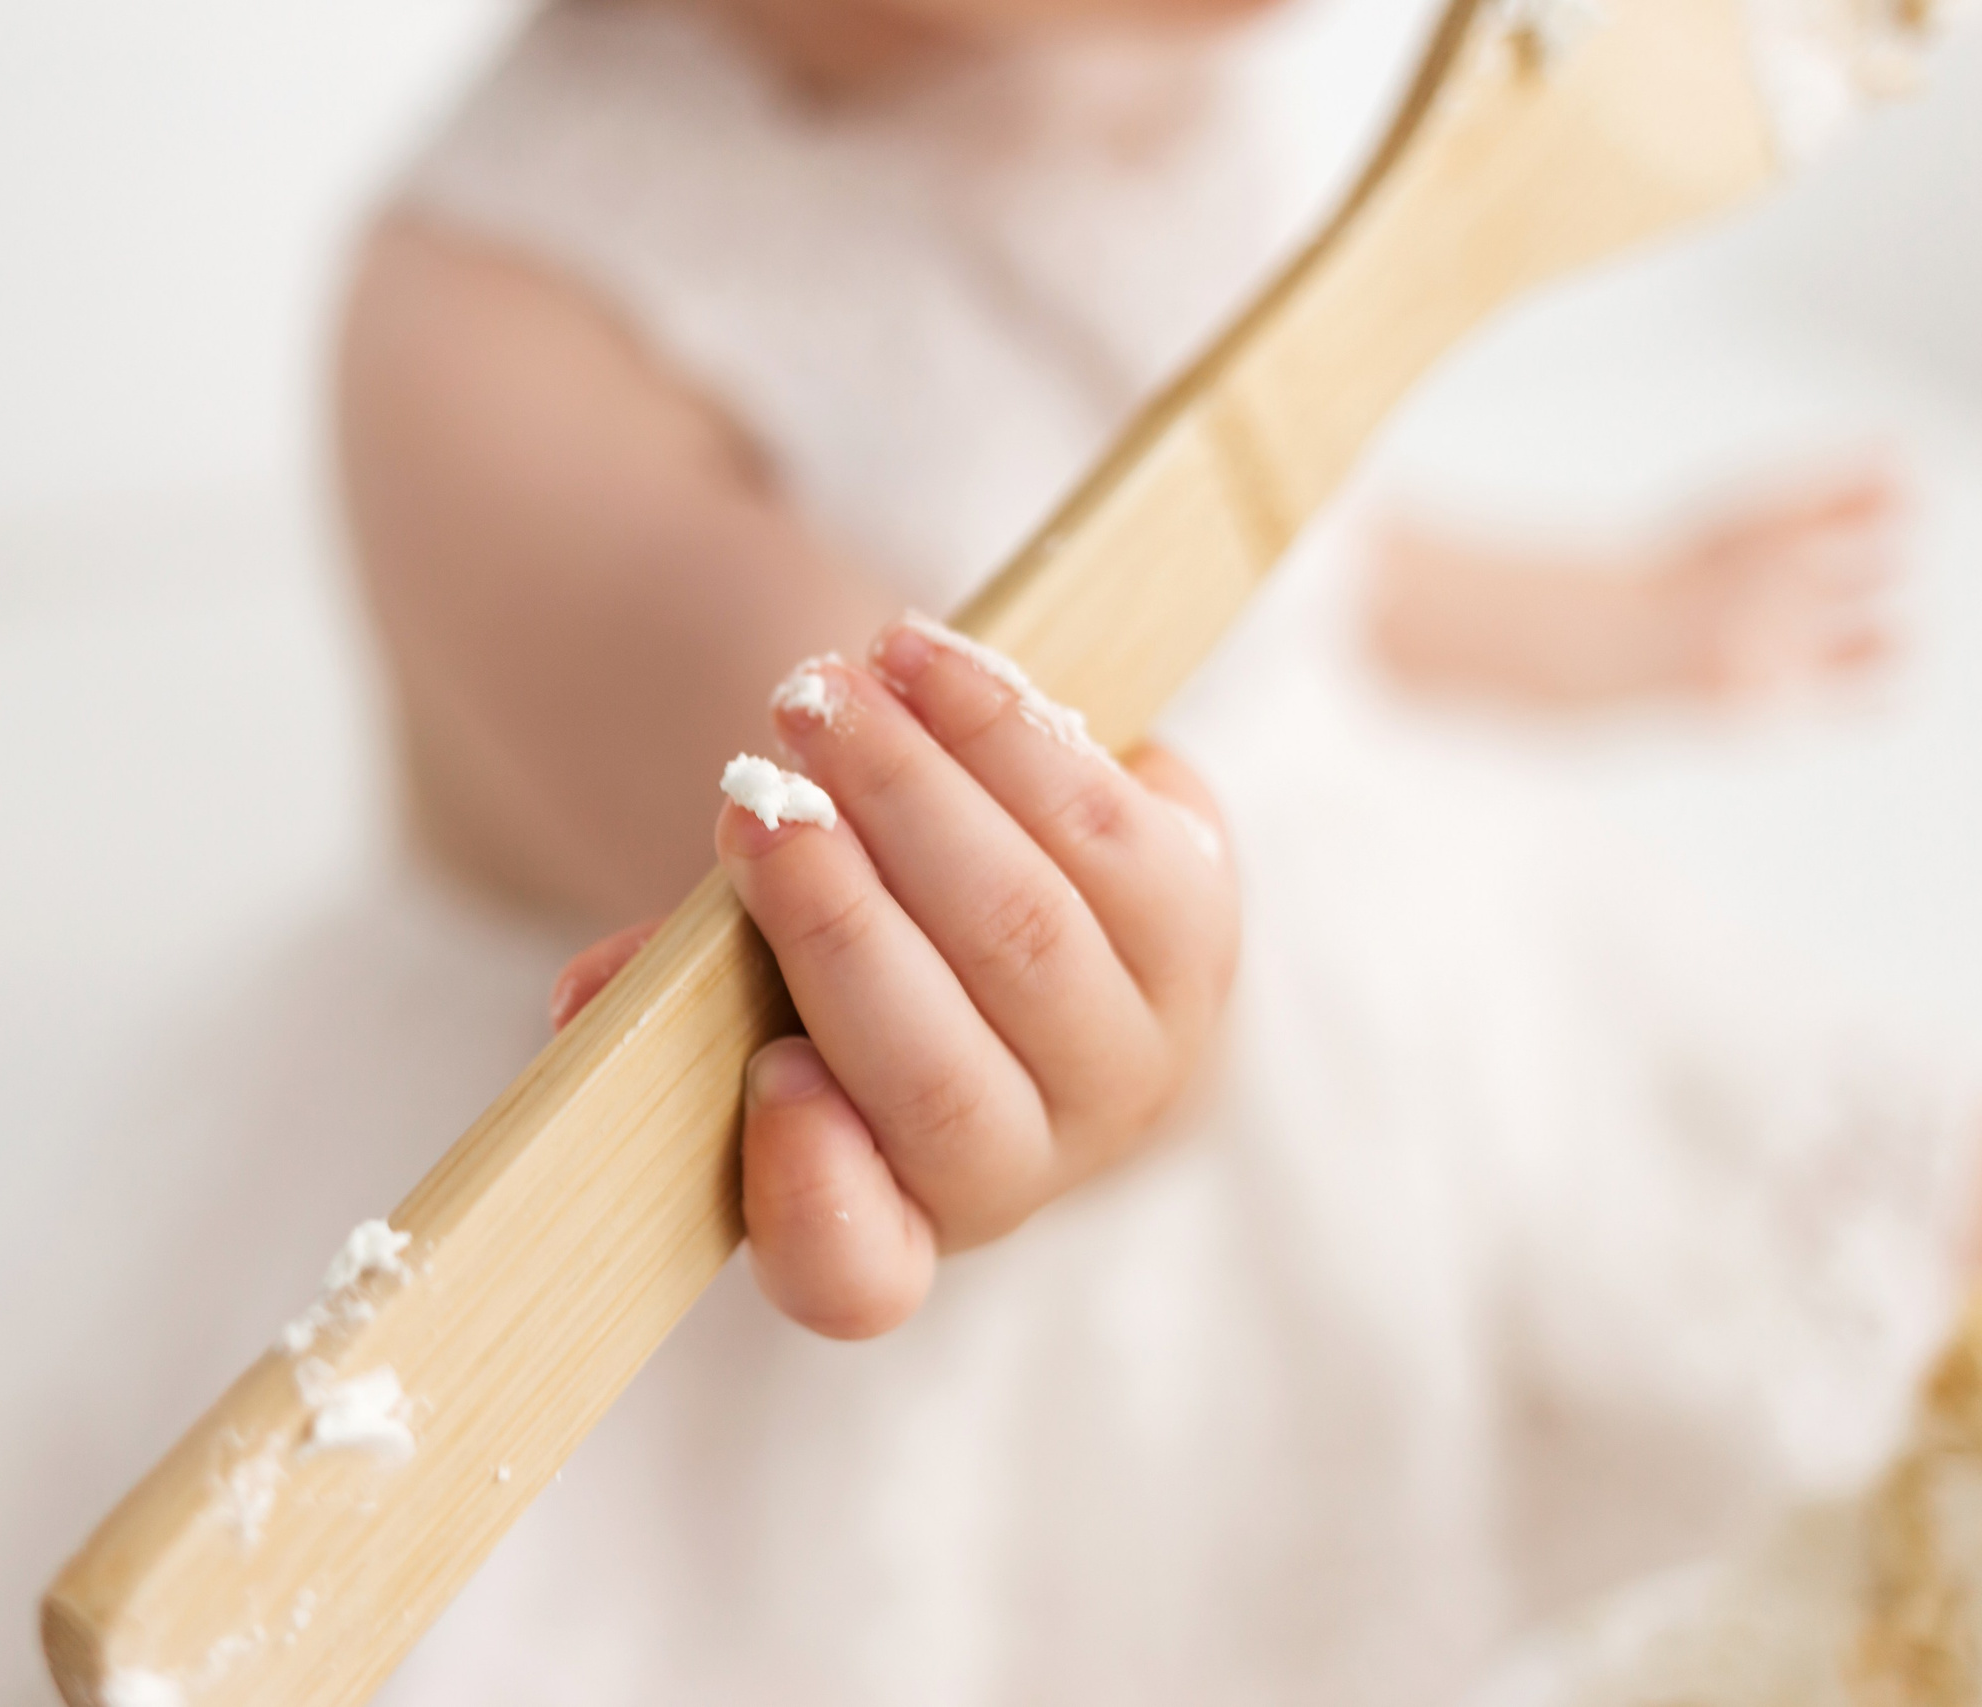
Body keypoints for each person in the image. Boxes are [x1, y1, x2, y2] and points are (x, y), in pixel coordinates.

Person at [326, 0, 1978, 1699]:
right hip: (927, 1162)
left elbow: (1272, 528)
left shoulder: (1149, 58)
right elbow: (898, 959)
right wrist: (1109, 1074)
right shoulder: (512, 337)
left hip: (1389, 926)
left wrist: (1612, 620)